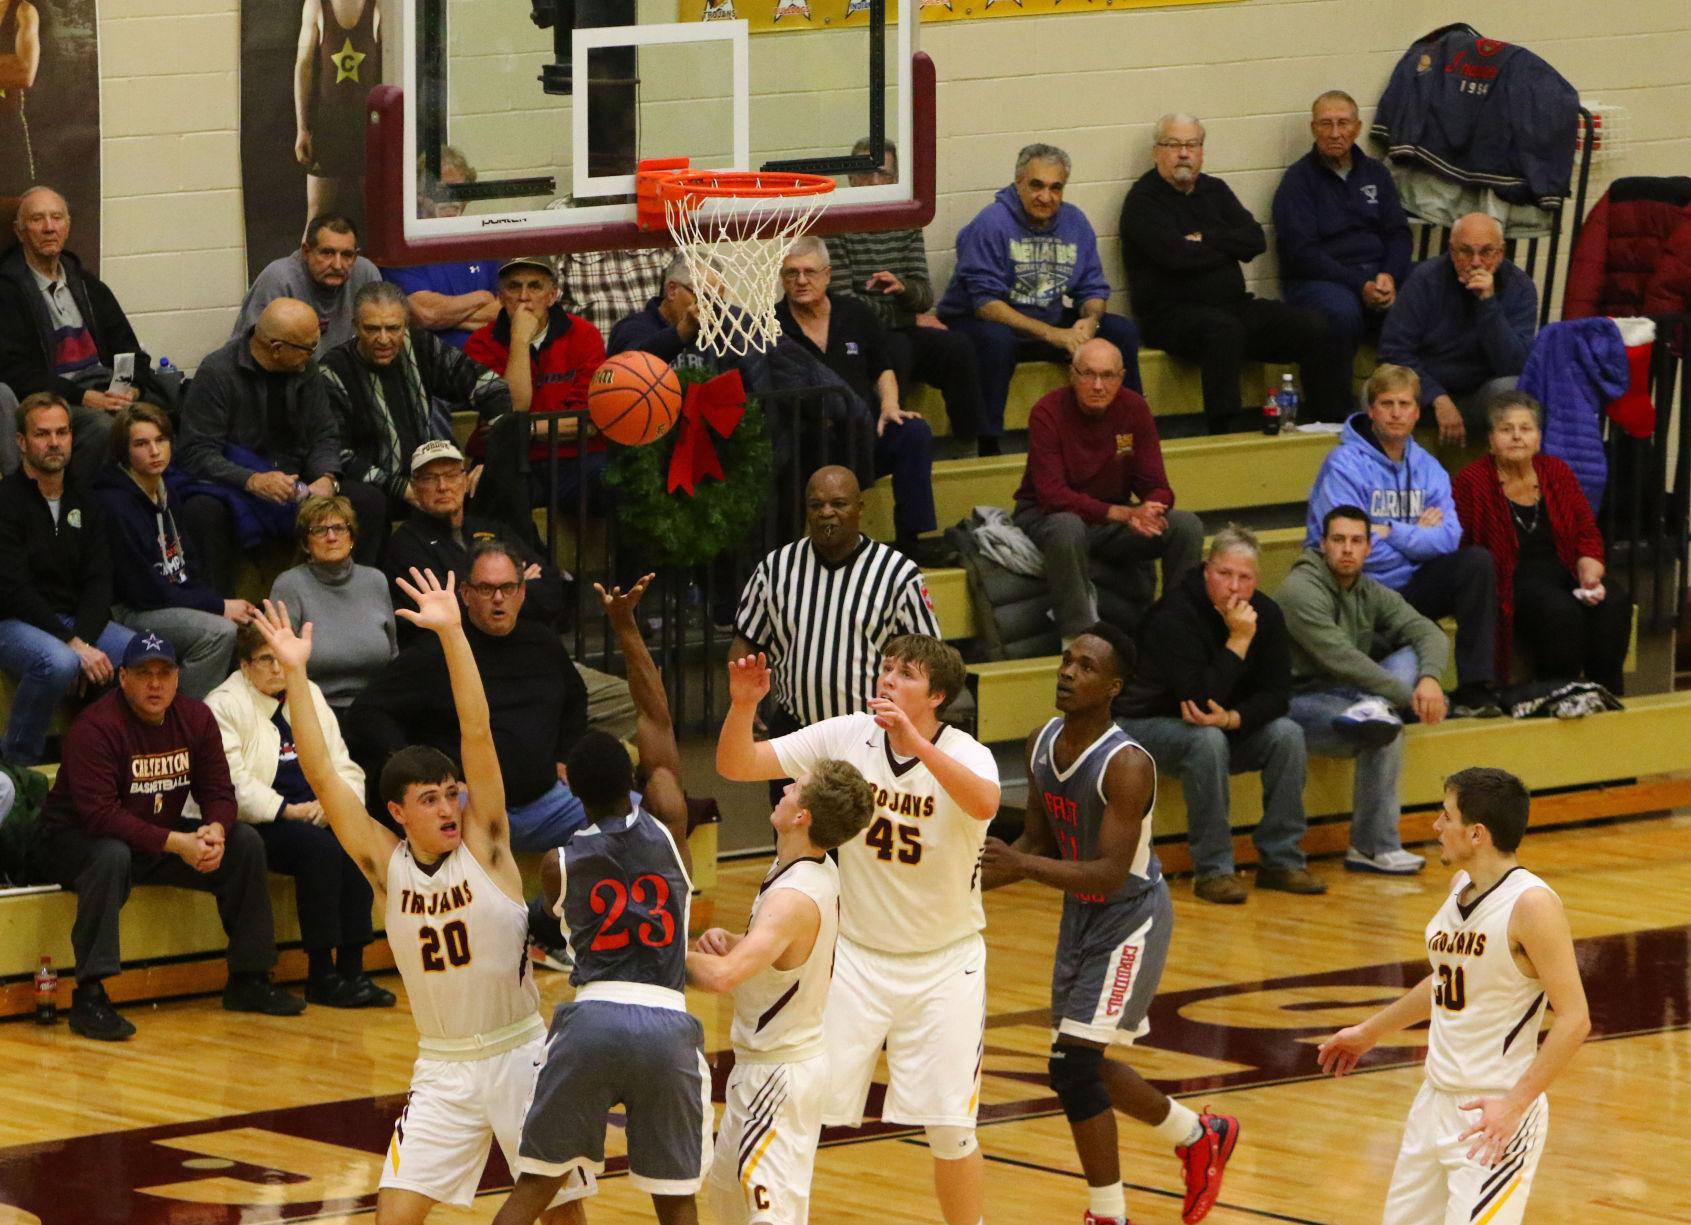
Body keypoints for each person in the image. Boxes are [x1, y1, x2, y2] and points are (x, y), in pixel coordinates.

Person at [250, 575, 593, 1224]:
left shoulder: (487, 846)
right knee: (395, 1215)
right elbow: (322, 774)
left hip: (520, 1052)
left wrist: (453, 633)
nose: (446, 805)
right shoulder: (388, 866)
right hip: (443, 1064)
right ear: (396, 811)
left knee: (563, 1217)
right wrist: (296, 675)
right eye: (429, 798)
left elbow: (477, 729)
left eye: (449, 792)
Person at [716, 635, 1002, 1225]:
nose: (889, 679)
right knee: (805, 1111)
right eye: (887, 668)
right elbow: (737, 764)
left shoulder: (968, 752)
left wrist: (916, 743)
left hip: (946, 965)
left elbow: (984, 805)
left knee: (951, 1131)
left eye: (907, 674)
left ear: (938, 696)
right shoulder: (847, 735)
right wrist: (744, 705)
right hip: (855, 960)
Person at [980, 625, 1238, 1225]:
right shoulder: (1040, 741)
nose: (1068, 672)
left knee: (1072, 1067)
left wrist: (1020, 864)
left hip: (1129, 915)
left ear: (1113, 687)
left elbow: (1107, 874)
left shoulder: (1127, 765)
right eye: (1067, 660)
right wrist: (957, 885)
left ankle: (1108, 1214)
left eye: (1087, 666)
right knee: (1082, 1064)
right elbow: (1037, 843)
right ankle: (1199, 1134)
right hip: (1081, 914)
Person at [1318, 767, 1590, 1225]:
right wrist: (1369, 1032)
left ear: (1477, 833)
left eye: (1446, 816)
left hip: (1494, 1111)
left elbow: (1574, 1019)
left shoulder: (1532, 905)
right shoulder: (1460, 888)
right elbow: (1447, 981)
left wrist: (1515, 1106)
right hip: (1434, 1099)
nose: (1436, 827)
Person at [493, 641, 701, 1225]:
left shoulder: (558, 863)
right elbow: (655, 718)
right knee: (677, 1200)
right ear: (633, 777)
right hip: (665, 1020)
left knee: (534, 1189)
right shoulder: (668, 825)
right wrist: (625, 627)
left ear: (571, 789)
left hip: (591, 1021)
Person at [37, 632, 305, 1040]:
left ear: (179, 677)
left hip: (150, 835)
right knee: (111, 856)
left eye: (164, 673)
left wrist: (215, 828)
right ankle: (90, 997)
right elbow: (101, 816)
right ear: (122, 678)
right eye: (144, 674)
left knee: (244, 843)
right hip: (72, 840)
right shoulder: (96, 727)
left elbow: (219, 790)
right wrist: (177, 844)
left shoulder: (195, 718)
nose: (155, 684)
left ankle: (249, 979)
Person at [687, 760, 877, 1225]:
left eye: (798, 787)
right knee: (730, 1202)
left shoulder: (793, 896)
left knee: (769, 1216)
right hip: (764, 1068)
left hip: (779, 1076)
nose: (788, 787)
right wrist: (739, 943)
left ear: (802, 817)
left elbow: (722, 978)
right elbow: (784, 955)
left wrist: (655, 949)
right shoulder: (804, 865)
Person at [1115, 526, 1324, 905]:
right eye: (1225, 574)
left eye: (1244, 578)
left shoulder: (1268, 614)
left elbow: (1278, 696)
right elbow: (1198, 699)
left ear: (1256, 580)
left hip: (1217, 724)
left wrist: (1233, 719)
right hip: (1142, 728)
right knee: (1206, 741)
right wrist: (1238, 640)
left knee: (1287, 734)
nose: (1234, 587)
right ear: (1207, 571)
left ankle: (1280, 860)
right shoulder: (1174, 615)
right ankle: (1213, 871)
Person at [350, 540, 602, 850]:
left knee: (624, 814)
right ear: (466, 594)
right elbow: (366, 712)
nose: (498, 599)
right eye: (486, 589)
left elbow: (576, 696)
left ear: (522, 593)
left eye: (508, 588)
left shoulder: (543, 643)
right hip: (467, 809)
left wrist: (567, 755)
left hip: (547, 803)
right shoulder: (437, 650)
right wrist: (424, 774)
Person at [203, 621, 392, 1009]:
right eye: (265, 660)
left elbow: (343, 763)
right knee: (318, 851)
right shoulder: (222, 705)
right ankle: (321, 973)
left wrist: (340, 804)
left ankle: (354, 969)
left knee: (355, 839)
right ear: (244, 665)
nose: (277, 669)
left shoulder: (308, 693)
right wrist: (288, 810)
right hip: (263, 819)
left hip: (319, 810)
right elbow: (231, 783)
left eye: (281, 659)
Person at [1119, 114, 1345, 433]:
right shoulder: (1143, 201)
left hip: (1233, 306)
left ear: (1202, 151)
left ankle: (1328, 424)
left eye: (1192, 144)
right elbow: (1176, 258)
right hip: (1171, 316)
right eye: (1174, 145)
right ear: (1157, 152)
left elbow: (1254, 240)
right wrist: (1225, 244)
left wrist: (1205, 238)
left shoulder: (1216, 190)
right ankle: (1225, 434)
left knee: (1316, 326)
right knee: (1223, 331)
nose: (1184, 153)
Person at [1305, 364, 1502, 715]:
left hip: (1409, 589)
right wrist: (1419, 538)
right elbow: (1353, 548)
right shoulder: (1344, 466)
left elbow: (1449, 538)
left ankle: (1476, 691)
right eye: (1387, 403)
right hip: (1358, 593)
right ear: (1372, 410)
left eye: (1405, 404)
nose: (1396, 413)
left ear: (1417, 411)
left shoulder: (1428, 467)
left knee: (1476, 563)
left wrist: (1393, 531)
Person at [937, 143, 1142, 456]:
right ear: (1018, 181)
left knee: (1120, 332)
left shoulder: (1075, 222)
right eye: (1037, 185)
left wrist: (1089, 320)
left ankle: (1127, 437)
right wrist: (1055, 335)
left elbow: (1093, 289)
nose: (1046, 197)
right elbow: (986, 304)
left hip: (1047, 317)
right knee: (997, 341)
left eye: (1055, 188)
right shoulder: (991, 223)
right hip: (983, 322)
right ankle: (987, 445)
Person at [1277, 505, 1449, 875]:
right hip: (1296, 703)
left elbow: (1427, 631)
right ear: (1322, 544)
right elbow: (1341, 660)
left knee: (1407, 661)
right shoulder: (1299, 590)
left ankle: (1370, 847)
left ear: (1369, 548)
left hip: (1351, 695)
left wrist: (1431, 679)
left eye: (1356, 541)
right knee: (1384, 725)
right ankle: (1373, 848)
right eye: (1338, 540)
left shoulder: (1369, 590)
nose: (1347, 549)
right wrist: (1412, 698)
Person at [179, 297, 385, 586]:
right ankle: (223, 609)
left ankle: (352, 594)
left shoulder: (305, 368)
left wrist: (326, 478)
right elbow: (196, 452)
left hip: (298, 482)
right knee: (201, 511)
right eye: (309, 347)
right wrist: (252, 480)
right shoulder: (217, 373)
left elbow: (324, 432)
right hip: (238, 483)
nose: (314, 353)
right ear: (277, 349)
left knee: (369, 501)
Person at [730, 464, 940, 745]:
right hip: (795, 733)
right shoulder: (775, 569)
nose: (826, 512)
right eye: (816, 504)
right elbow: (746, 642)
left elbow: (930, 656)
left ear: (860, 508)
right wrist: (741, 700)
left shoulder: (898, 573)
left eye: (838, 504)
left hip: (875, 732)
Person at [1012, 337, 1203, 641]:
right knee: (1067, 526)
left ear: (1121, 378)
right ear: (1072, 375)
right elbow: (1052, 495)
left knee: (1185, 526)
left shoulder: (1134, 409)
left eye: (1107, 376)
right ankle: (1078, 638)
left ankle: (1177, 631)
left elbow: (1157, 485)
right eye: (1088, 374)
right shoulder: (1047, 412)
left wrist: (1152, 508)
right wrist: (1123, 513)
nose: (1097, 385)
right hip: (1046, 515)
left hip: (1110, 522)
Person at [1451, 392, 1629, 694]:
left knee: (1615, 600)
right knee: (1561, 612)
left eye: (1526, 429)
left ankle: (1606, 693)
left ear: (1538, 438)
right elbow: (1458, 545)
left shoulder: (1556, 472)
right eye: (1506, 429)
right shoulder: (1471, 482)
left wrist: (1589, 566)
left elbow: (1587, 531)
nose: (1517, 437)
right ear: (1491, 440)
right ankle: (1556, 695)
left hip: (1565, 573)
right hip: (1510, 581)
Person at [774, 238, 938, 558]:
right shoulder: (773, 325)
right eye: (791, 273)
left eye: (809, 271)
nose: (801, 281)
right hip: (810, 446)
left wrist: (890, 406)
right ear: (782, 278)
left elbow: (882, 367)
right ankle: (792, 556)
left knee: (914, 433)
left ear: (828, 274)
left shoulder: (854, 312)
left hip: (864, 436)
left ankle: (911, 542)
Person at [0, 393, 135, 764]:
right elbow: (14, 590)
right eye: (43, 434)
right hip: (14, 620)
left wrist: (84, 641)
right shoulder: (6, 502)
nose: (54, 442)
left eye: (62, 432)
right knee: (58, 662)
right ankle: (15, 765)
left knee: (140, 652)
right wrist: (73, 646)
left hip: (74, 620)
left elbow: (98, 580)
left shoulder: (85, 500)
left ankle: (92, 757)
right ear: (21, 442)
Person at [828, 138, 985, 453]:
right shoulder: (835, 223)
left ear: (895, 179)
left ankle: (969, 445)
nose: (874, 181)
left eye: (883, 173)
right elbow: (844, 303)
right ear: (850, 178)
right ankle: (883, 446)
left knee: (959, 348)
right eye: (866, 172)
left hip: (905, 324)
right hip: (863, 334)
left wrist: (903, 290)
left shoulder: (907, 218)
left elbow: (924, 294)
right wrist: (906, 312)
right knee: (895, 351)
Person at [0, 187, 163, 482]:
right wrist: (84, 397)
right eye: (37, 219)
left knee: (158, 420)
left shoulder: (88, 286)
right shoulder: (7, 292)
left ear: (67, 226)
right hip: (56, 399)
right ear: (20, 231)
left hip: (107, 390)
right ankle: (80, 511)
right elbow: (14, 371)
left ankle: (146, 512)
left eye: (56, 218)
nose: (49, 227)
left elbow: (129, 350)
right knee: (104, 428)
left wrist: (129, 389)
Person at [319, 280, 518, 519]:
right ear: (355, 326)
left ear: (406, 325)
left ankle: (518, 556)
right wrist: (402, 489)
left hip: (429, 477)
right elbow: (338, 455)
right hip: (375, 487)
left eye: (393, 328)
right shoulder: (333, 370)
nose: (383, 339)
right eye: (372, 329)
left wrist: (490, 459)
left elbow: (492, 386)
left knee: (503, 481)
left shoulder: (419, 344)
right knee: (368, 501)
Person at [93, 402, 250, 700]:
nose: (154, 451)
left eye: (160, 440)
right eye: (141, 443)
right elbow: (144, 591)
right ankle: (181, 722)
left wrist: (220, 604)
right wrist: (217, 606)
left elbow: (187, 565)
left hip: (168, 599)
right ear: (124, 451)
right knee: (218, 633)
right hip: (131, 610)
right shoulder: (114, 505)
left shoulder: (166, 490)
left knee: (246, 629)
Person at [1272, 90, 1413, 391]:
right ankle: (1332, 413)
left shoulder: (1376, 173)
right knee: (1340, 312)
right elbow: (1302, 253)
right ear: (1313, 129)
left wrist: (1389, 274)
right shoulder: (1297, 181)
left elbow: (1398, 233)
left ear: (1358, 128)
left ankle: (1416, 400)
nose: (1335, 133)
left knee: (1427, 286)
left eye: (1343, 123)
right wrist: (1360, 284)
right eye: (1325, 124)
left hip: (1376, 270)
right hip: (1321, 278)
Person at [1378, 212, 1538, 447]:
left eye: (1486, 252)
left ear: (1501, 252)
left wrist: (1487, 303)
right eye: (1465, 252)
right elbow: (1393, 351)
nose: (1475, 262)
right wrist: (1436, 397)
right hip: (1425, 396)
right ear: (1452, 251)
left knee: (1513, 390)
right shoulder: (1425, 279)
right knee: (1376, 392)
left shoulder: (1520, 287)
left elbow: (1515, 367)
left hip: (1480, 398)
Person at [464, 256, 607, 505]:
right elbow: (512, 408)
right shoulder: (480, 344)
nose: (523, 296)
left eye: (535, 286)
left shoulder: (584, 335)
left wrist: (524, 429)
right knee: (489, 487)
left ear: (552, 296)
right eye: (514, 287)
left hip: (575, 458)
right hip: (508, 458)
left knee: (610, 478)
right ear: (500, 296)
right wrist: (519, 340)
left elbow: (587, 423)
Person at [268, 494, 396, 707]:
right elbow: (275, 662)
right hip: (312, 706)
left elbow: (392, 654)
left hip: (375, 705)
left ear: (352, 538)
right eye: (319, 530)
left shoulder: (375, 580)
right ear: (305, 544)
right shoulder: (289, 585)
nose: (331, 537)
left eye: (339, 528)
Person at [383, 147, 501, 349]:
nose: (450, 199)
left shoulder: (481, 241)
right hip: (432, 366)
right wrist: (482, 297)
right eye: (440, 191)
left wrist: (446, 317)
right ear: (418, 195)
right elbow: (425, 314)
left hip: (488, 360)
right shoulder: (402, 245)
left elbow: (503, 312)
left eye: (458, 191)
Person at [233, 214, 383, 356]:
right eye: (327, 253)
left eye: (347, 255)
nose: (338, 265)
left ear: (356, 255)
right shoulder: (279, 279)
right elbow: (255, 351)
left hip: (341, 374)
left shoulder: (366, 274)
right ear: (306, 252)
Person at [292, 0, 381, 229]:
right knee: (316, 220)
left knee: (376, 218)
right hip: (332, 127)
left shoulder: (381, 5)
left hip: (367, 127)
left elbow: (397, 60)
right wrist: (302, 128)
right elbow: (303, 66)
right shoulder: (316, 4)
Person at [555, 245, 668, 340]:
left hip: (654, 358)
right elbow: (544, 303)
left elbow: (678, 291)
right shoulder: (565, 246)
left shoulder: (658, 240)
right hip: (596, 361)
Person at [0, 0, 40, 196]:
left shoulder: (23, 11)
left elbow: (24, 73)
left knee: (12, 211)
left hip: (5, 135)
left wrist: (15, 67)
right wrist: (8, 62)